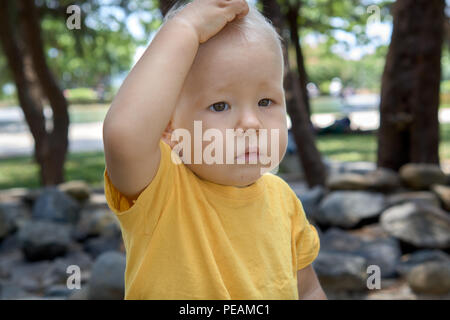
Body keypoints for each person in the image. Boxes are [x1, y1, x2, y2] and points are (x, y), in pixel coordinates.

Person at [102, 0, 326, 300]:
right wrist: (185, 28)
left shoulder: (284, 200)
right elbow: (124, 136)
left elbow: (308, 290)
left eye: (265, 102)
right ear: (168, 127)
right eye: (220, 106)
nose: (250, 123)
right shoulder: (160, 190)